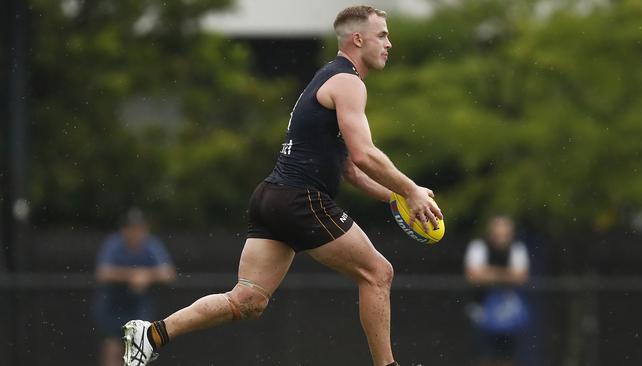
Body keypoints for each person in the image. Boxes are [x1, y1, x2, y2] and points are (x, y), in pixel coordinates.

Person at [122, 6, 443, 366]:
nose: (389, 43)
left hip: (271, 196)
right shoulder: (348, 82)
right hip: (300, 199)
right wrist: (411, 189)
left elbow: (351, 170)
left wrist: (397, 196)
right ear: (357, 38)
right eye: (382, 35)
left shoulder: (326, 78)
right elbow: (365, 154)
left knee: (247, 300)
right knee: (378, 273)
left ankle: (152, 333)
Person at [93, 208, 176, 366]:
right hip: (112, 306)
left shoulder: (151, 245)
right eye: (132, 228)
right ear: (124, 230)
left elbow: (169, 274)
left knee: (138, 351)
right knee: (112, 348)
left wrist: (147, 276)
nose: (136, 232)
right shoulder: (114, 244)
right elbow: (103, 273)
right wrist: (132, 276)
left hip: (138, 308)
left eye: (139, 228)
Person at [464, 215, 530, 366]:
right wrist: (507, 274)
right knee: (482, 354)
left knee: (507, 355)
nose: (501, 237)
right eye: (497, 232)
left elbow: (521, 277)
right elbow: (473, 275)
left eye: (505, 233)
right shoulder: (479, 246)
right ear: (490, 231)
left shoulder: (517, 248)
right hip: (480, 309)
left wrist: (488, 273)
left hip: (508, 312)